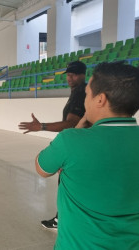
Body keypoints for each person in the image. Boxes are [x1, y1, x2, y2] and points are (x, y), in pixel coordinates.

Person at [36, 61, 139, 249]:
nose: (85, 100)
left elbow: (41, 168)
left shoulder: (70, 141)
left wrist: (80, 125)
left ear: (100, 99)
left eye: (87, 94)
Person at [18, 60, 87, 230]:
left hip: (77, 147)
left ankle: (62, 221)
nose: (69, 78)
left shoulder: (80, 93)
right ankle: (62, 218)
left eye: (74, 75)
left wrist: (41, 126)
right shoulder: (77, 92)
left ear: (83, 75)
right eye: (68, 75)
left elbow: (71, 124)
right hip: (79, 146)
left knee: (66, 186)